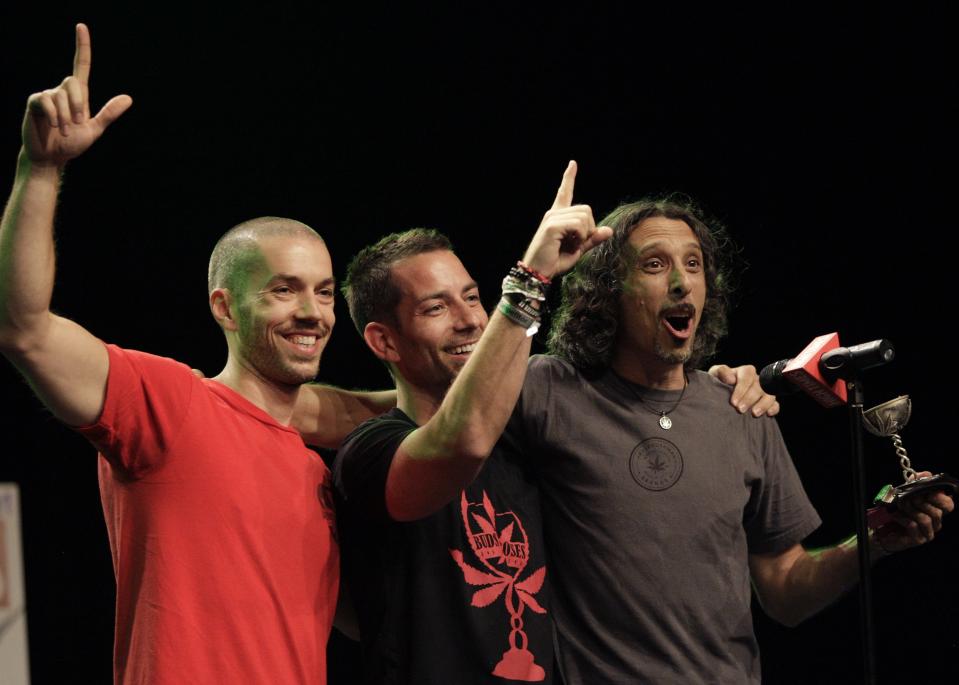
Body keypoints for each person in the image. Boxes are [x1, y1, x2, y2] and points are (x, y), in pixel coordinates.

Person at [0, 25, 392, 684]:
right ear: (222, 306)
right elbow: (25, 329)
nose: (312, 311)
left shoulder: (317, 471)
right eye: (283, 289)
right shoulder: (172, 405)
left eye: (324, 292)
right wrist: (39, 169)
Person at [330, 164, 778, 684]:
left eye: (473, 297)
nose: (470, 319)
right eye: (436, 307)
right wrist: (531, 279)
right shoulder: (370, 452)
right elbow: (462, 437)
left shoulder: (524, 438)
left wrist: (706, 386)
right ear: (383, 342)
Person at [497, 195, 956, 683]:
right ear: (608, 290)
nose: (681, 282)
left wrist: (874, 541)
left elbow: (785, 592)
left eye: (693, 264)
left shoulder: (742, 408)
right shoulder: (552, 389)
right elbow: (438, 412)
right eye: (655, 264)